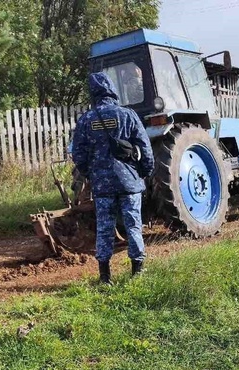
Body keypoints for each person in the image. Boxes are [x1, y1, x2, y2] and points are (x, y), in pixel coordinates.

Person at [72, 72, 154, 284]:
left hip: (102, 186)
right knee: (133, 225)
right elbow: (145, 149)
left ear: (93, 94)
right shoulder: (127, 115)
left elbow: (78, 155)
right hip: (129, 182)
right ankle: (137, 272)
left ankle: (105, 277)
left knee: (104, 228)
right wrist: (143, 173)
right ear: (112, 89)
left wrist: (92, 173)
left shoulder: (86, 120)